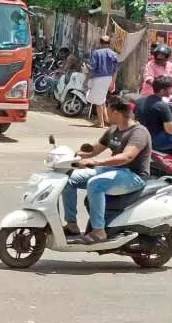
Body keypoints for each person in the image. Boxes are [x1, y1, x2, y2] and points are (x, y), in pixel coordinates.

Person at [64, 96, 150, 243]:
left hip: (133, 175)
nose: (105, 113)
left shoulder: (138, 132)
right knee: (69, 180)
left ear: (116, 112)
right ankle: (71, 225)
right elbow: (93, 150)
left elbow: (127, 157)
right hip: (112, 170)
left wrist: (96, 162)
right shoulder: (113, 130)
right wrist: (70, 156)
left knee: (95, 184)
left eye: (107, 110)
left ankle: (99, 232)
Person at [86, 35, 119, 128]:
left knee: (98, 102)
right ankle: (106, 120)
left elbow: (93, 68)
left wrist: (87, 79)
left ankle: (101, 123)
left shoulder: (97, 53)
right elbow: (115, 70)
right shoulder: (114, 54)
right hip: (109, 79)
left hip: (99, 79)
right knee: (102, 100)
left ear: (100, 43)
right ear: (109, 44)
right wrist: (113, 82)